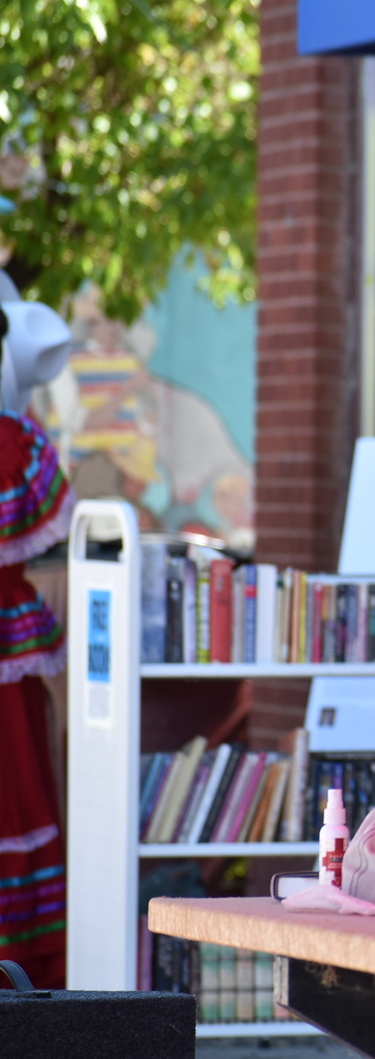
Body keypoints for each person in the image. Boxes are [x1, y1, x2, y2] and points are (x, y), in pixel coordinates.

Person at [0, 285, 76, 987]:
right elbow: (59, 520)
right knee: (17, 774)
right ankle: (25, 954)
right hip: (9, 637)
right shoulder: (18, 443)